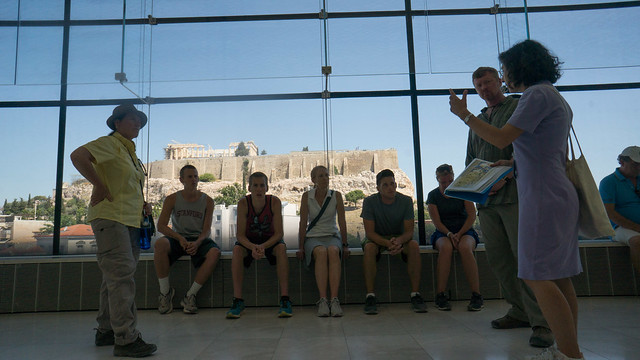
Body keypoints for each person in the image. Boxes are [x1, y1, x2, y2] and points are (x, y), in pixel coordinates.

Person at [449, 40, 583, 360]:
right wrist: (511, 163)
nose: (505, 76)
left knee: (535, 275)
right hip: (553, 190)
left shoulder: (535, 95)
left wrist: (464, 114)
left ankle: (569, 353)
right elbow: (542, 148)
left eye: (504, 70)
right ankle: (567, 349)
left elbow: (501, 137)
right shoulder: (551, 95)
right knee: (558, 277)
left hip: (541, 195)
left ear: (518, 67)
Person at [466, 66, 553, 348]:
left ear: (500, 81)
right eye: (479, 85)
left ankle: (542, 322)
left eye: (488, 82)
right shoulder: (479, 121)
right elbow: (472, 159)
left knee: (525, 259)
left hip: (516, 196)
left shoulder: (517, 106)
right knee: (500, 260)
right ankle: (519, 310)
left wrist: (508, 172)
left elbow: (529, 148)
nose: (484, 89)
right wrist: (476, 184)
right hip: (488, 201)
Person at [70, 104, 157, 357]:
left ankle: (107, 330)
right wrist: (97, 184)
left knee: (115, 278)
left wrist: (142, 205)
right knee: (121, 278)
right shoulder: (110, 144)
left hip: (129, 220)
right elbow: (78, 156)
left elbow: (125, 185)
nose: (137, 123)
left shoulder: (130, 153)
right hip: (111, 218)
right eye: (132, 119)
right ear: (117, 123)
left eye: (139, 120)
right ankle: (126, 339)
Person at [154, 165, 221, 314]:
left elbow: (206, 230)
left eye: (195, 176)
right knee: (160, 244)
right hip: (178, 237)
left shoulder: (208, 201)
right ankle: (165, 293)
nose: (193, 180)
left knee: (215, 252)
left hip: (198, 239)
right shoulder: (172, 199)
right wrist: (179, 238)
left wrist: (197, 243)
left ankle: (190, 295)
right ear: (181, 180)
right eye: (190, 177)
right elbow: (161, 226)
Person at [226, 172, 292, 318]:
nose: (259, 189)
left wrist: (263, 246)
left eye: (262, 185)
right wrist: (253, 247)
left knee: (281, 248)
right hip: (249, 243)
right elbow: (240, 235)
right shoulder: (243, 203)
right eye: (255, 186)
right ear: (249, 188)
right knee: (237, 250)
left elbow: (279, 233)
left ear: (267, 188)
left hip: (270, 241)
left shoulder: (274, 202)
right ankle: (238, 300)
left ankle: (285, 299)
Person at [360, 169, 427, 314]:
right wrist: (388, 244)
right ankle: (370, 296)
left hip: (399, 237)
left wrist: (399, 241)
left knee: (414, 246)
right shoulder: (369, 202)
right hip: (377, 238)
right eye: (385, 185)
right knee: (369, 249)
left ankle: (415, 294)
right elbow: (370, 232)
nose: (390, 188)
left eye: (392, 184)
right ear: (378, 188)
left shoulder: (406, 201)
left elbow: (409, 231)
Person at [426, 164, 483, 311]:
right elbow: (436, 222)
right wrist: (449, 234)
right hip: (443, 232)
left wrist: (460, 233)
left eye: (449, 181)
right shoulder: (433, 196)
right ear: (437, 180)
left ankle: (476, 295)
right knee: (445, 248)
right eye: (443, 182)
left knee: (465, 248)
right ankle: (440, 294)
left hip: (464, 231)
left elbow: (471, 215)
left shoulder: (463, 191)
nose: (446, 185)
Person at [296, 165, 350, 317]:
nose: (324, 178)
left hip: (332, 236)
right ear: (313, 180)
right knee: (320, 252)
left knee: (333, 251)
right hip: (313, 237)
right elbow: (302, 222)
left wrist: (345, 245)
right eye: (320, 176)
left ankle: (334, 299)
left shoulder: (336, 196)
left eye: (326, 175)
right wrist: (300, 247)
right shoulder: (307, 196)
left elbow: (342, 222)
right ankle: (323, 300)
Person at [599, 146, 640, 275]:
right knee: (637, 241)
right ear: (622, 161)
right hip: (619, 227)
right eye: (635, 165)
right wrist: (637, 227)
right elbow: (610, 213)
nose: (639, 168)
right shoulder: (608, 182)